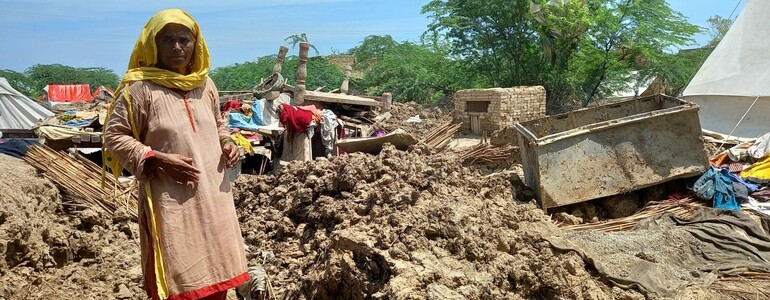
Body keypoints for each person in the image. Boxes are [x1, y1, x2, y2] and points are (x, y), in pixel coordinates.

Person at [103, 9, 248, 300]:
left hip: (215, 196)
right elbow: (113, 135)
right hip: (171, 201)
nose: (177, 47)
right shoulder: (139, 89)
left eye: (184, 39)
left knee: (219, 275)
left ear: (197, 44)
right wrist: (153, 157)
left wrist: (227, 141)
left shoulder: (205, 85)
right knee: (178, 281)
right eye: (167, 39)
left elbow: (217, 123)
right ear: (152, 44)